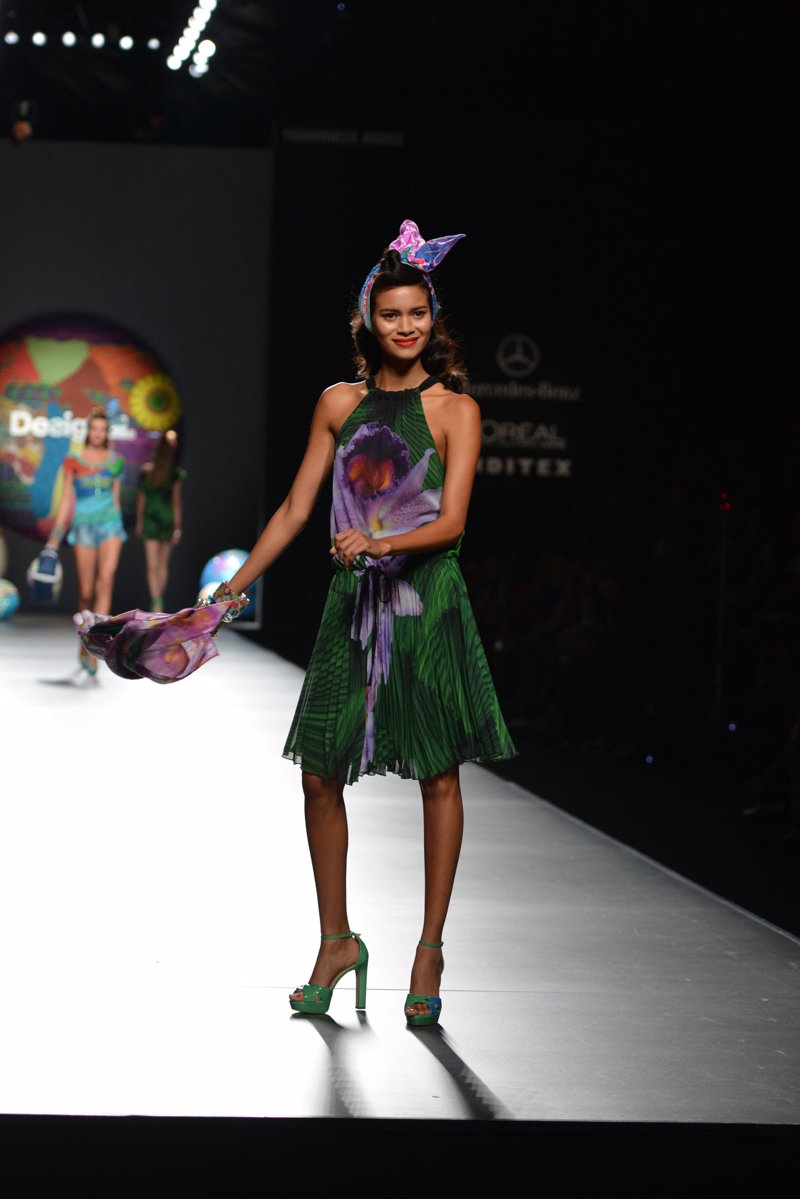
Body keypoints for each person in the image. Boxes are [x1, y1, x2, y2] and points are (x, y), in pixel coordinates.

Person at [203, 218, 517, 1025]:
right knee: (318, 773)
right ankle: (336, 940)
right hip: (354, 607)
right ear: (367, 321)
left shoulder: (456, 408)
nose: (405, 327)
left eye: (417, 313)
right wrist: (231, 590)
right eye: (390, 314)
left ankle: (429, 949)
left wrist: (378, 541)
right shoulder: (337, 403)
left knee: (438, 773)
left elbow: (452, 522)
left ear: (433, 318)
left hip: (427, 600)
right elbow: (295, 508)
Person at [46, 405, 127, 681]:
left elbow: (116, 498)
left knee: (106, 580)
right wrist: (56, 534)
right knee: (86, 591)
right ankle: (84, 641)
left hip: (110, 525)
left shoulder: (116, 461)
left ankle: (96, 647)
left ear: (107, 432)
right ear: (88, 431)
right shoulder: (73, 459)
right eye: (94, 428)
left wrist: (119, 524)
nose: (98, 433)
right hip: (83, 526)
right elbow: (66, 499)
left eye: (103, 429)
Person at [135, 428, 186, 612]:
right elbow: (176, 503)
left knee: (152, 564)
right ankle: (158, 601)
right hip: (166, 520)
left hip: (150, 519)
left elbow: (141, 500)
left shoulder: (148, 472)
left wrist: (139, 521)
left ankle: (156, 600)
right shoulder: (174, 473)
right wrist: (178, 527)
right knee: (163, 565)